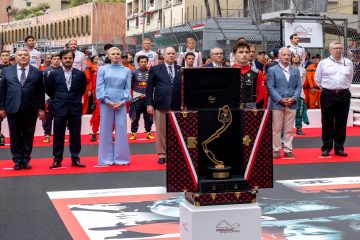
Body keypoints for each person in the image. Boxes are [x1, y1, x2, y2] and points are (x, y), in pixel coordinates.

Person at [0, 49, 45, 170]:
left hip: (30, 108)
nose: (23, 57)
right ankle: (17, 160)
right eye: (20, 55)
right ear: (15, 57)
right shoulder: (6, 71)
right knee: (14, 135)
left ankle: (25, 159)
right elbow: (2, 91)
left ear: (29, 57)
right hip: (12, 107)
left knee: (28, 134)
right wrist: (1, 108)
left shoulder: (37, 72)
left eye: (25, 55)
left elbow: (41, 92)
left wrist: (41, 109)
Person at [45, 49, 87, 169]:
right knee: (58, 135)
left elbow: (82, 89)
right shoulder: (54, 74)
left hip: (75, 107)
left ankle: (75, 158)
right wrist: (58, 99)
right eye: (65, 58)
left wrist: (73, 98)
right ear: (61, 59)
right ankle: (57, 159)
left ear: (73, 59)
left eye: (70, 58)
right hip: (59, 107)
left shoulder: (80, 74)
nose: (68, 60)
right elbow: (49, 89)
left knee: (75, 135)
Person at [314, 40, 353, 157]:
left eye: (340, 48)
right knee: (327, 122)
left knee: (341, 122)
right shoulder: (323, 63)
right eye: (335, 48)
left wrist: (342, 88)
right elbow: (318, 79)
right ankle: (326, 147)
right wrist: (327, 89)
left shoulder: (348, 62)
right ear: (330, 50)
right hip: (328, 94)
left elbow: (350, 78)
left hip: (344, 94)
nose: (338, 50)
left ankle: (339, 147)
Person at [96, 47, 132, 166]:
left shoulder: (126, 70)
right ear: (109, 56)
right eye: (113, 54)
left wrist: (123, 101)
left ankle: (121, 158)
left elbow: (127, 88)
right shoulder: (102, 69)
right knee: (105, 130)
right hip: (106, 102)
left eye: (118, 54)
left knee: (121, 129)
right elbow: (100, 86)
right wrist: (107, 101)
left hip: (121, 103)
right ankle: (106, 159)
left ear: (121, 56)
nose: (116, 56)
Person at [146, 47, 182, 164]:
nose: (171, 55)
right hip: (160, 104)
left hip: (177, 105)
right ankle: (162, 154)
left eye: (173, 54)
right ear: (164, 56)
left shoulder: (180, 69)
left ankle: (174, 153)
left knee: (176, 130)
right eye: (168, 54)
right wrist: (149, 104)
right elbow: (149, 88)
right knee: (161, 130)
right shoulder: (156, 69)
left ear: (175, 56)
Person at [267, 47, 301, 159]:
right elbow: (270, 86)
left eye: (288, 55)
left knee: (289, 128)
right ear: (279, 56)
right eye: (284, 55)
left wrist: (294, 98)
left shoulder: (295, 70)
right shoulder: (272, 70)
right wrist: (280, 99)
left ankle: (288, 149)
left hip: (292, 103)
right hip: (277, 103)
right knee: (276, 128)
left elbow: (299, 86)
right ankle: (276, 149)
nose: (286, 57)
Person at [232, 41, 267, 109]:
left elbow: (260, 93)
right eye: (241, 52)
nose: (244, 54)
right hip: (232, 108)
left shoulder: (257, 73)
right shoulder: (228, 72)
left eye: (247, 52)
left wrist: (251, 104)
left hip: (250, 109)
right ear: (234, 54)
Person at [129, 55, 154, 140]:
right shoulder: (134, 72)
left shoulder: (151, 72)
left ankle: (148, 132)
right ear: (138, 63)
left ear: (147, 62)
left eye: (145, 62)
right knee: (135, 116)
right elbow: (131, 85)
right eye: (141, 62)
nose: (143, 63)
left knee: (148, 117)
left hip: (148, 98)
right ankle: (133, 133)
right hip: (137, 98)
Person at [42, 53, 62, 143]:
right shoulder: (46, 70)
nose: (56, 60)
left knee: (60, 117)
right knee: (48, 117)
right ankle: (47, 135)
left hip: (61, 98)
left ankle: (60, 135)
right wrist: (46, 97)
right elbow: (43, 85)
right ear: (51, 60)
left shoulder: (63, 70)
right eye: (54, 59)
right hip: (49, 98)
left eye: (58, 59)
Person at [292, 53, 309, 135]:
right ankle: (287, 130)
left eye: (297, 57)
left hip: (299, 92)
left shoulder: (303, 70)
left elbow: (303, 81)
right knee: (289, 111)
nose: (296, 58)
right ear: (292, 59)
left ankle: (299, 128)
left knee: (299, 111)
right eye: (294, 57)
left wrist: (299, 88)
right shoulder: (288, 68)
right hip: (289, 92)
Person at [0, 51, 11, 145]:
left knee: (13, 118)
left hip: (11, 97)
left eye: (7, 55)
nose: (5, 57)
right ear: (0, 57)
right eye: (3, 56)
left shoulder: (14, 68)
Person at [90, 55, 101, 141]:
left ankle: (108, 134)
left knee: (108, 117)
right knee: (97, 115)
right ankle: (94, 132)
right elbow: (94, 85)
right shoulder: (96, 73)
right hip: (99, 97)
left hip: (110, 97)